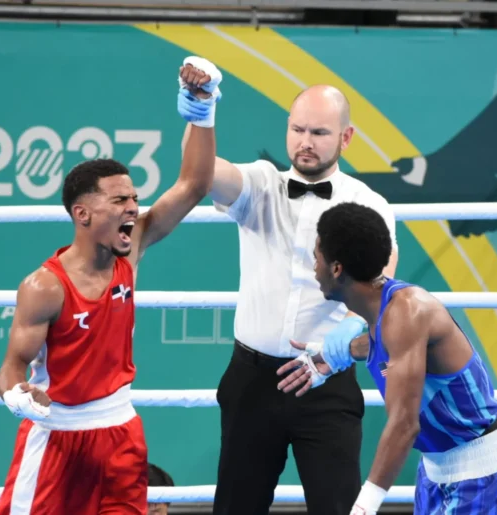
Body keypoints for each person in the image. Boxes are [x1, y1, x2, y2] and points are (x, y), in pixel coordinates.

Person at [0, 57, 223, 515]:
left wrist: (203, 108)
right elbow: (11, 366)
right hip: (57, 436)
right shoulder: (45, 287)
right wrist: (18, 397)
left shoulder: (130, 251)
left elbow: (194, 185)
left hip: (120, 433)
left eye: (134, 197)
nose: (133, 208)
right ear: (82, 214)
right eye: (119, 200)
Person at [180, 57, 399, 515]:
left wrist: (343, 340)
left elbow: (383, 284)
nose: (305, 142)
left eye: (319, 132)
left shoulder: (368, 204)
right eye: (297, 129)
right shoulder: (261, 183)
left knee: (337, 508)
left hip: (327, 379)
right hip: (251, 380)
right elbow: (200, 176)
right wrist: (201, 110)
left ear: (346, 138)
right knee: (236, 508)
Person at [277, 202, 497, 514]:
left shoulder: (408, 312)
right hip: (436, 468)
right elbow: (389, 346)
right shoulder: (384, 310)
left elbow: (405, 425)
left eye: (317, 257)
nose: (314, 268)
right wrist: (333, 355)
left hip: (480, 471)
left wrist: (364, 506)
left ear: (337, 268)